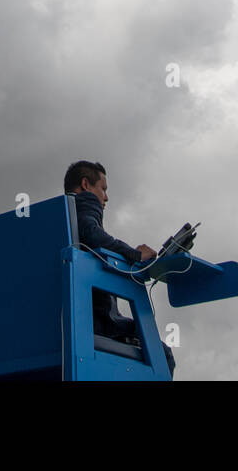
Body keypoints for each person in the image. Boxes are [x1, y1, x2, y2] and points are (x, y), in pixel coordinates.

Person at [63, 160, 176, 378]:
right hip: (95, 324)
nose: (106, 197)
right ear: (86, 185)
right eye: (103, 189)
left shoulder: (54, 223)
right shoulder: (84, 208)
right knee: (163, 354)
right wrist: (133, 255)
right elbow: (93, 233)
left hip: (55, 327)